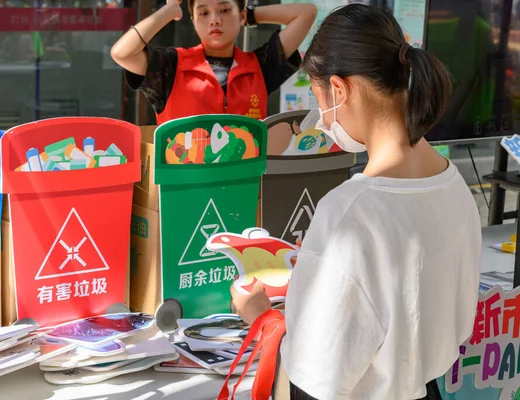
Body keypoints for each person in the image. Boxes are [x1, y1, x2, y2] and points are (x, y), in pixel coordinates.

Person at [230, 4, 481, 400]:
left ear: (341, 90)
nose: (324, 122)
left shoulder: (350, 212)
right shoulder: (456, 186)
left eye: (320, 102)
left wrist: (261, 317)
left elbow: (311, 386)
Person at [110, 0, 317, 124]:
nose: (214, 19)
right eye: (203, 12)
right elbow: (122, 53)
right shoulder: (171, 65)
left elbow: (306, 13)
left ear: (241, 15)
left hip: (245, 187)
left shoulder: (261, 66)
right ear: (192, 19)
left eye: (224, 10)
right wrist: (170, 11)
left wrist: (249, 16)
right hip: (184, 189)